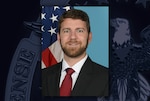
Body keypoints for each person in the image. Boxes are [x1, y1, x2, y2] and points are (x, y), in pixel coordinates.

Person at [42, 9, 109, 97]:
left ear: (89, 37)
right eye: (66, 31)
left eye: (79, 31)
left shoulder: (107, 78)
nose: (73, 37)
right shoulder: (43, 76)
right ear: (58, 37)